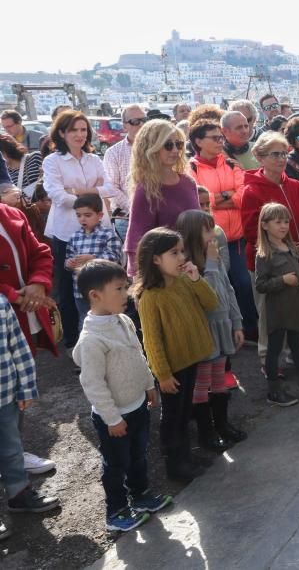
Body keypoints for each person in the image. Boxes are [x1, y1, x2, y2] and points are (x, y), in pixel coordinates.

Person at [71, 259, 171, 533]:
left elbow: (138, 355)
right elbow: (92, 384)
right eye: (119, 289)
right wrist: (112, 419)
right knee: (116, 465)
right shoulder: (92, 339)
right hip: (113, 417)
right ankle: (116, 511)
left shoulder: (123, 320)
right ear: (95, 295)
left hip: (137, 405)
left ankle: (140, 496)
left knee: (138, 455)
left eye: (125, 287)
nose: (126, 293)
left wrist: (149, 384)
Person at [132, 228, 218, 481]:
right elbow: (152, 341)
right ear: (155, 259)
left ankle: (186, 457)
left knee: (184, 412)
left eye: (181, 251)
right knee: (173, 417)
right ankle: (175, 464)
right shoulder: (150, 297)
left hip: (192, 359)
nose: (182, 257)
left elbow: (211, 303)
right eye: (174, 253)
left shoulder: (184, 281)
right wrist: (163, 375)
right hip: (173, 369)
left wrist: (196, 279)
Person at [238, 132, 299, 370]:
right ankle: (268, 357)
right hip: (268, 263)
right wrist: (286, 248)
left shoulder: (295, 186)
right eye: (275, 154)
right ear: (259, 157)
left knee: (297, 308)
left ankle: (296, 350)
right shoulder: (252, 191)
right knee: (269, 313)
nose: (281, 159)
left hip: (297, 259)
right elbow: (251, 232)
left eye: (284, 153)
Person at [175, 210, 246, 451]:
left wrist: (237, 322)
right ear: (194, 234)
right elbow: (212, 297)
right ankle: (206, 433)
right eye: (208, 230)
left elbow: (228, 291)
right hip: (205, 334)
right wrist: (214, 261)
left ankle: (222, 425)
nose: (213, 234)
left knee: (219, 381)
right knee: (201, 385)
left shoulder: (213, 259)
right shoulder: (188, 267)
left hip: (223, 328)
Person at [42, 110, 110, 348]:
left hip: (98, 229)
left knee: (101, 279)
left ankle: (103, 331)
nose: (80, 135)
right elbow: (58, 196)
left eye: (83, 130)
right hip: (66, 231)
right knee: (68, 285)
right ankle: (73, 338)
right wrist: (92, 192)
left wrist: (77, 193)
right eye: (74, 130)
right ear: (62, 133)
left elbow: (109, 187)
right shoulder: (53, 161)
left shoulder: (94, 159)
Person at [188, 117, 257, 340]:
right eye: (214, 138)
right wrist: (227, 195)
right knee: (217, 284)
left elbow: (243, 195)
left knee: (243, 283)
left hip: (236, 236)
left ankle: (249, 328)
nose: (220, 141)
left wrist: (217, 198)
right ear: (198, 141)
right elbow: (199, 200)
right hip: (210, 238)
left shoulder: (231, 164)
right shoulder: (190, 168)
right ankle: (221, 332)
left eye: (220, 137)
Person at [0, 294, 60, 538]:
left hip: (5, 396)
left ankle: (18, 494)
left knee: (12, 449)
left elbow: (19, 347)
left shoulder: (2, 304)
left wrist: (25, 387)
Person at [255, 202, 299, 406]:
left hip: (295, 307)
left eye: (286, 222)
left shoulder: (289, 246)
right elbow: (261, 285)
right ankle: (273, 391)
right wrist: (283, 281)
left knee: (297, 346)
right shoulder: (264, 254)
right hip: (278, 310)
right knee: (274, 350)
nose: (283, 226)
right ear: (264, 225)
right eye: (277, 222)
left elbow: (295, 275)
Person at [123, 120, 199, 277]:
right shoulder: (146, 190)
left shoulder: (188, 182)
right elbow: (137, 240)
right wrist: (139, 281)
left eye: (178, 144)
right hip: (163, 275)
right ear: (151, 147)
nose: (175, 150)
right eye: (168, 145)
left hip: (195, 266)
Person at [65, 194, 123, 330]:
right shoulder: (74, 237)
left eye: (87, 215)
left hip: (104, 289)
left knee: (109, 319)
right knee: (85, 321)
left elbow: (115, 257)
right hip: (80, 290)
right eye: (78, 215)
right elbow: (68, 258)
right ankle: (87, 349)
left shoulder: (108, 234)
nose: (82, 219)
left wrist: (93, 258)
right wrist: (70, 263)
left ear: (100, 215)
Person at [102, 104, 147, 241]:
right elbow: (111, 187)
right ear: (125, 126)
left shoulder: (160, 148)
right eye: (135, 121)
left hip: (158, 215)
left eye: (144, 120)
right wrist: (134, 208)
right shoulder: (114, 152)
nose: (141, 124)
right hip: (126, 218)